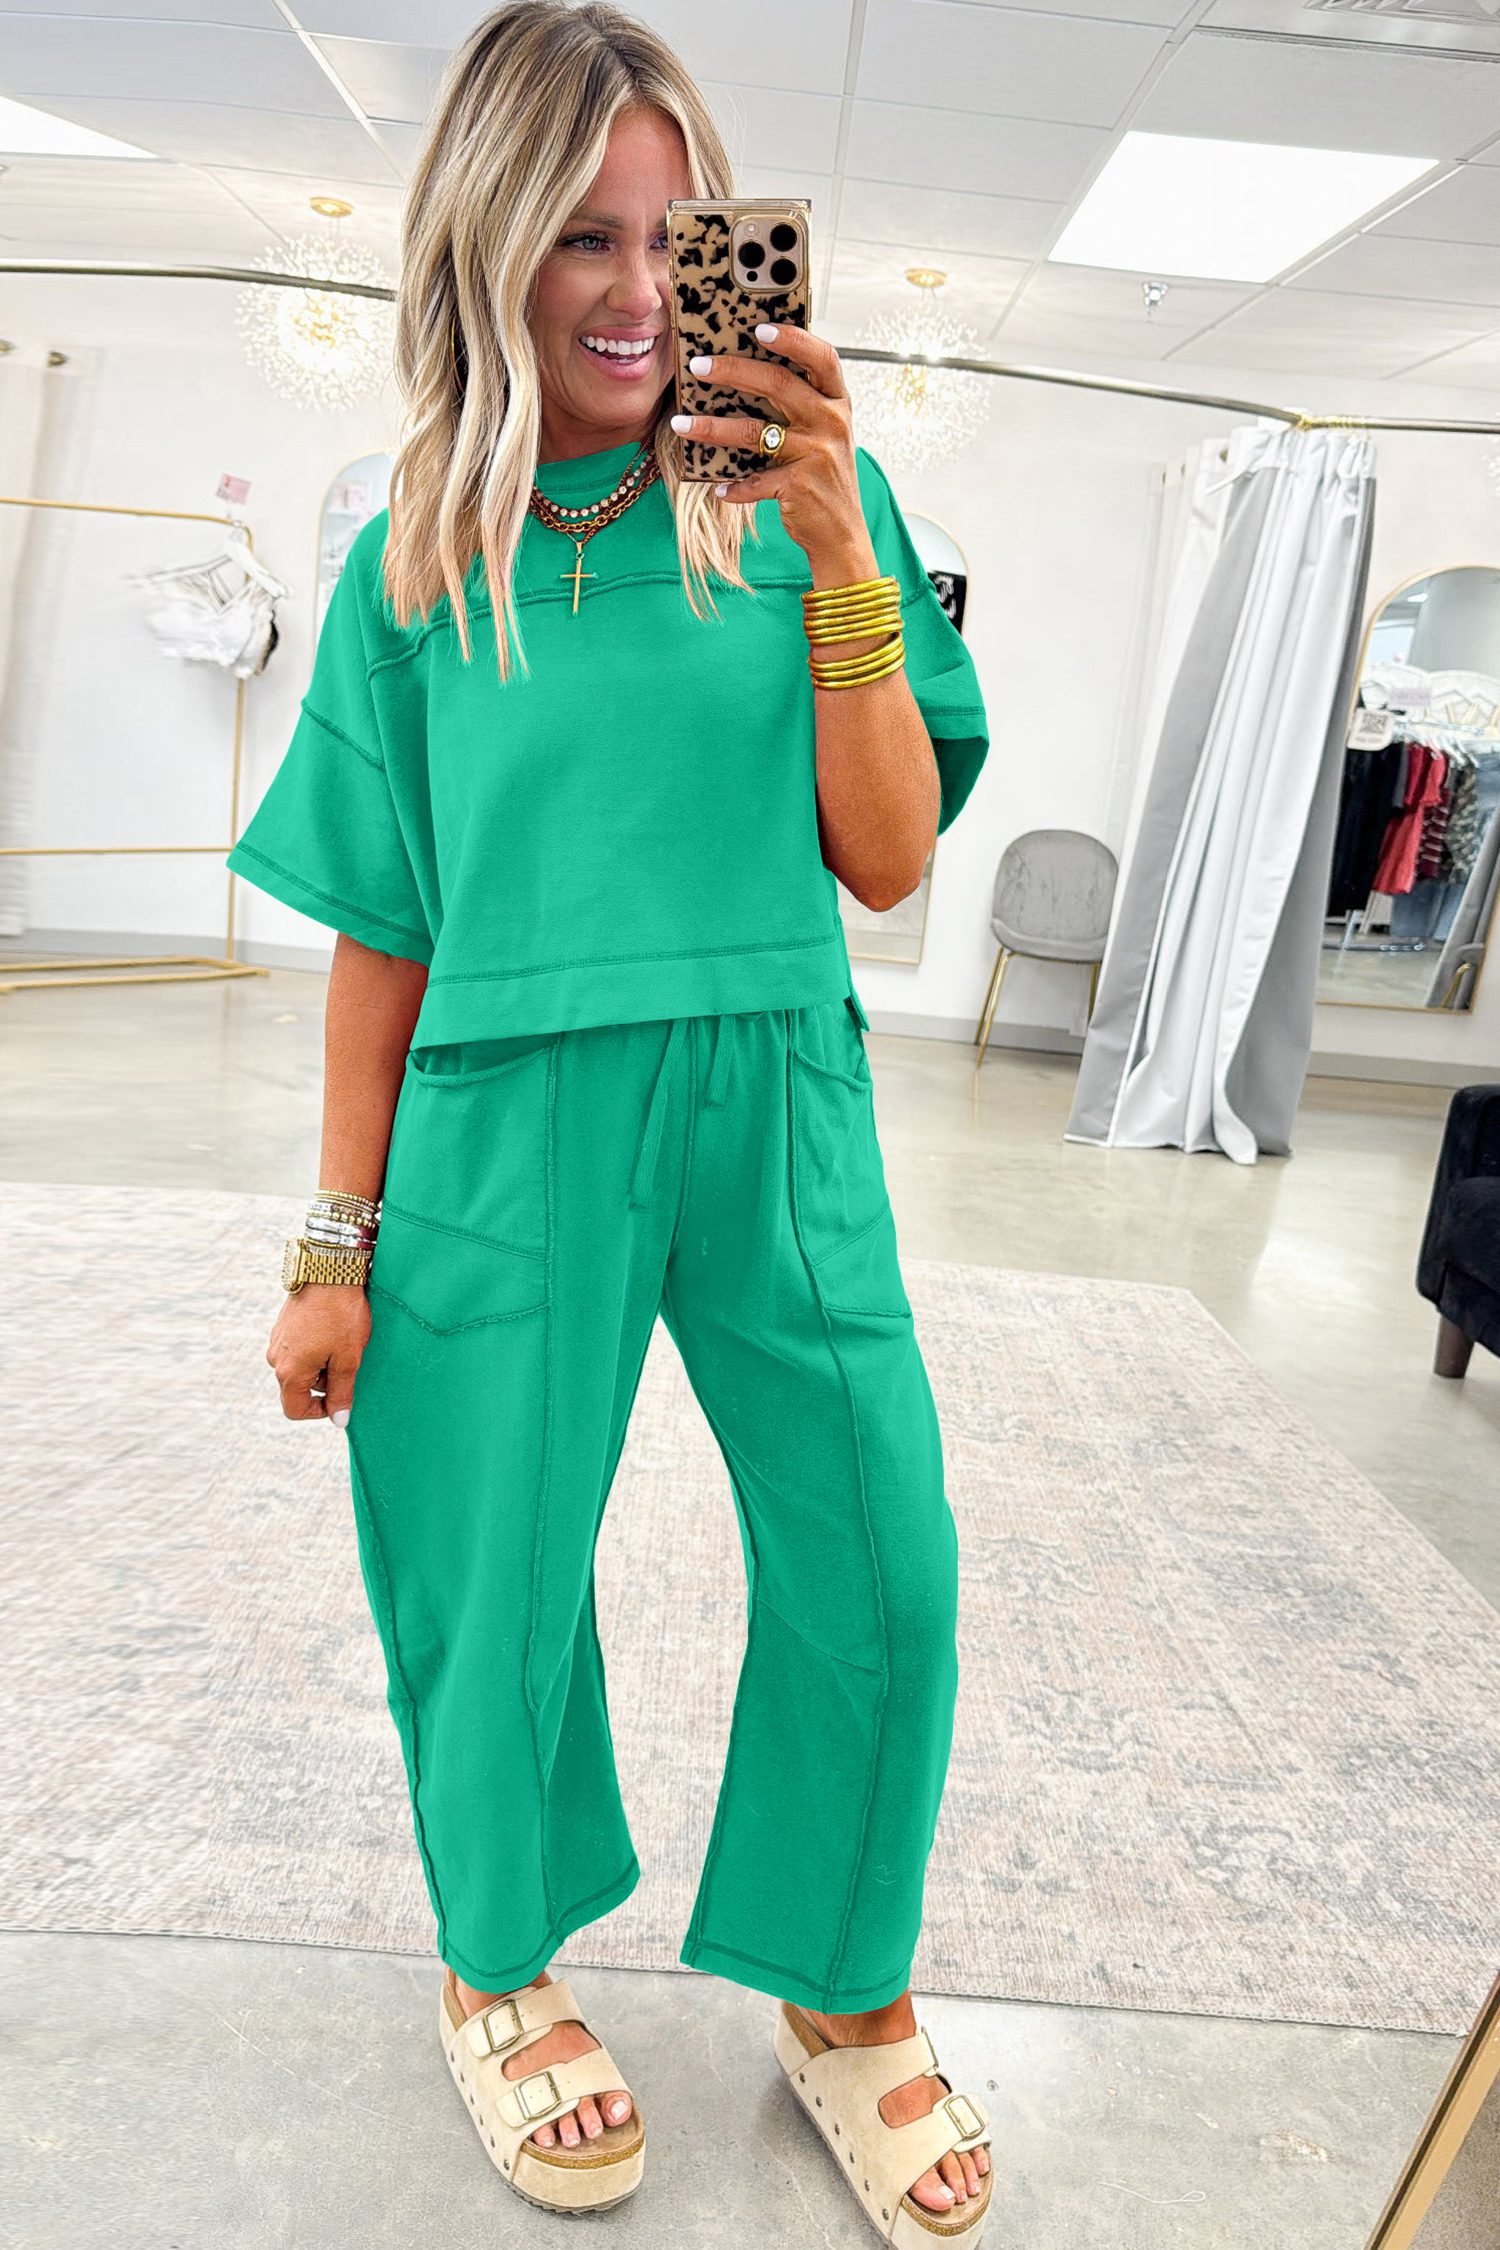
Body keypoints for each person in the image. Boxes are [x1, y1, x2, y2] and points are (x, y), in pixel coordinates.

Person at [226, 2, 994, 2238]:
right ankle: (499, 1964)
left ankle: (847, 1990)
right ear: (487, 245)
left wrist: (843, 547)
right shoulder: (411, 555)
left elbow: (886, 860)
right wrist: (334, 1245)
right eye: (581, 234)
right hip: (502, 1114)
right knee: (487, 1567)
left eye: (677, 234)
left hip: (777, 1084)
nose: (643, 289)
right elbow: (383, 931)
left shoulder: (805, 503)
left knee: (886, 1549)